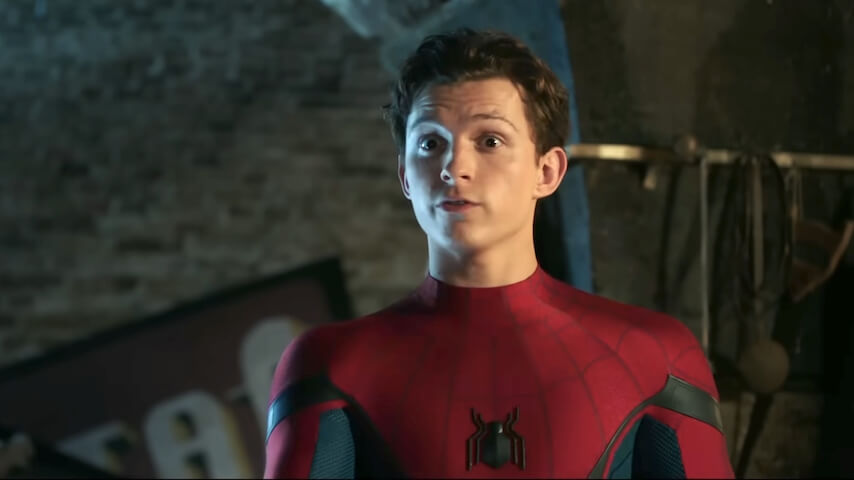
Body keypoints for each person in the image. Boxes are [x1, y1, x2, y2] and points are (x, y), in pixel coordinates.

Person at [264, 29, 734, 479]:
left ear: (546, 172)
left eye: (490, 141)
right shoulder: (332, 364)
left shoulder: (654, 357)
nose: (455, 168)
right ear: (406, 176)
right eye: (430, 143)